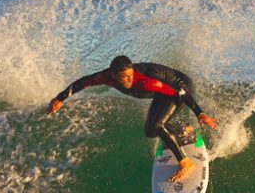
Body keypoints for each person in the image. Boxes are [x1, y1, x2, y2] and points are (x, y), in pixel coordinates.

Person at [46, 55, 218, 182]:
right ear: (113, 75)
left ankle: (185, 162)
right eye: (124, 77)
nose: (129, 79)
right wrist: (60, 98)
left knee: (158, 125)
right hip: (162, 93)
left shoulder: (146, 81)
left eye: (131, 75)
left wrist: (199, 112)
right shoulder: (105, 77)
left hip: (179, 88)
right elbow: (82, 82)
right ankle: (181, 128)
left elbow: (179, 93)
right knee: (150, 131)